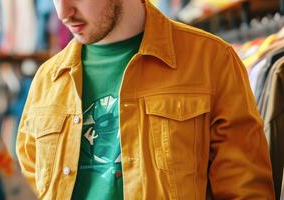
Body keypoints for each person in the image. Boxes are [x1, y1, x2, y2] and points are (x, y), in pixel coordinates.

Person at [15, 0, 276, 199]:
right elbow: (29, 182)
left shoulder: (211, 61)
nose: (63, 13)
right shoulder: (47, 80)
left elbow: (245, 189)